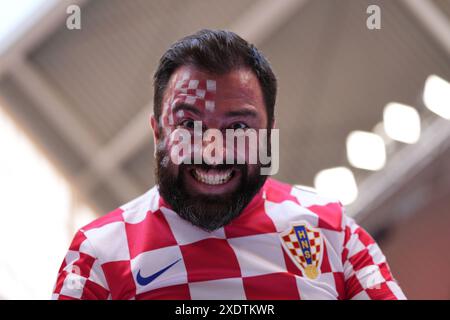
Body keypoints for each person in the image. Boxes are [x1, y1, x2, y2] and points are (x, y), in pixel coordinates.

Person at [52, 29, 405, 300]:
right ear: (157, 130)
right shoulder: (98, 253)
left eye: (238, 128)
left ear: (269, 135)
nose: (213, 150)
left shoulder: (333, 232)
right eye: (189, 124)